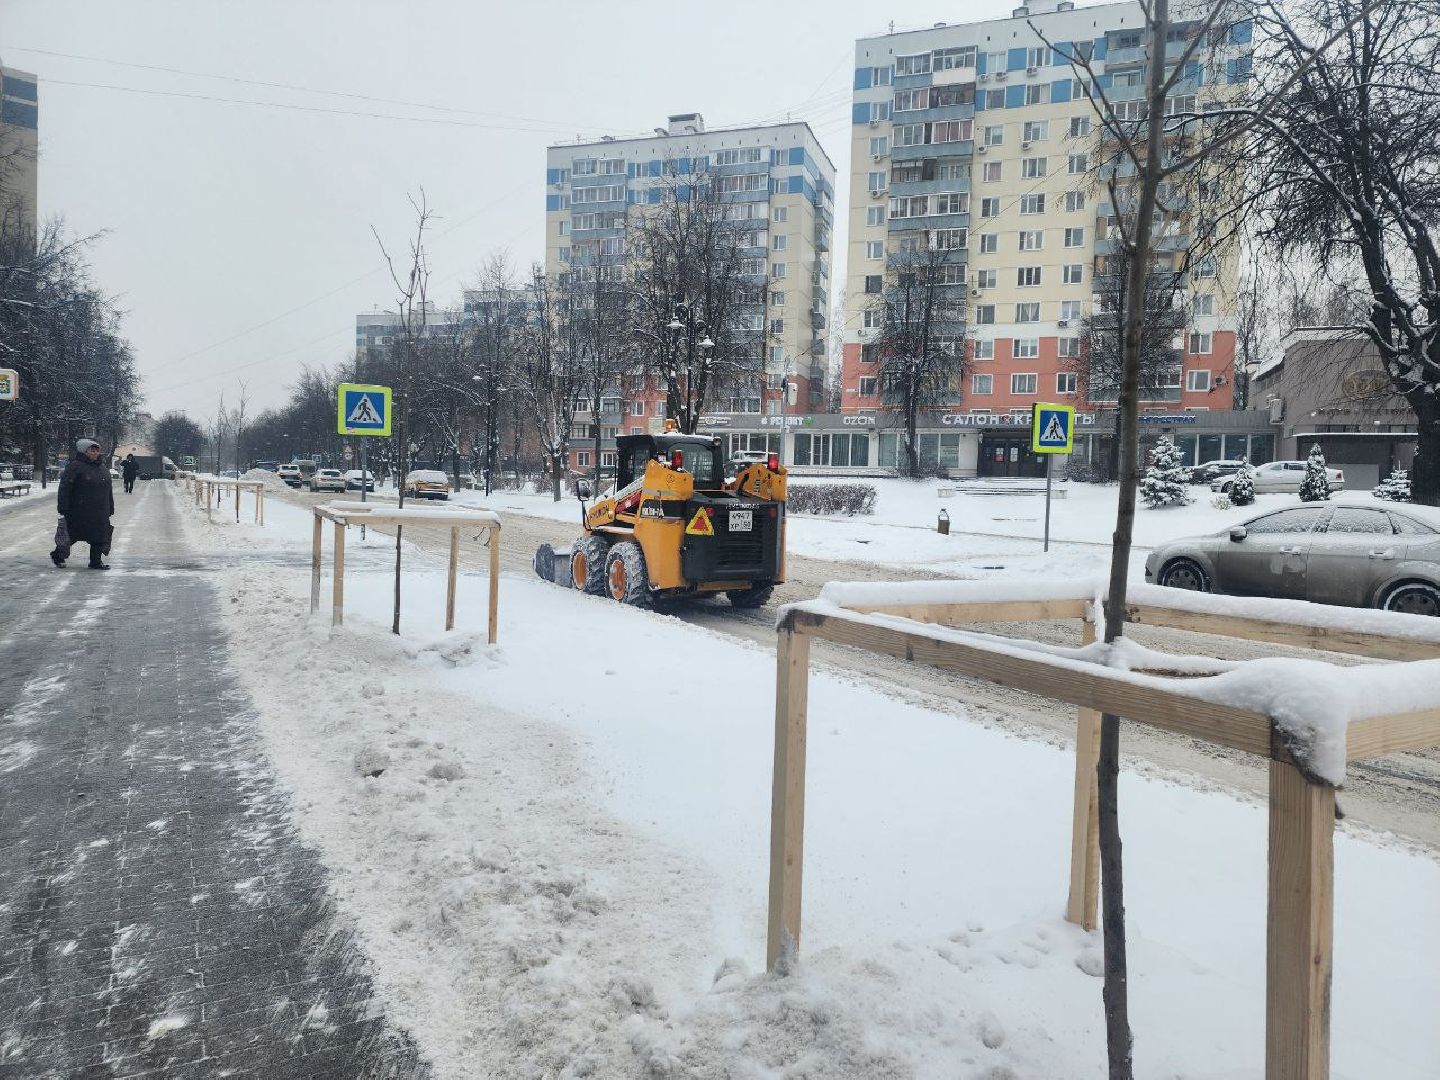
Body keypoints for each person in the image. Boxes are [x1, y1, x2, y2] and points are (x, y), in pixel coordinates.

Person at [51, 439, 114, 570]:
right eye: (92, 450)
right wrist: (62, 507)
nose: (95, 452)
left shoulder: (102, 467)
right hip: (79, 510)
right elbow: (65, 488)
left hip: (100, 510)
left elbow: (108, 490)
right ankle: (57, 555)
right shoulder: (75, 466)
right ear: (84, 451)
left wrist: (110, 507)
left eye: (97, 450)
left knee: (99, 536)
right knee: (72, 535)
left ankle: (95, 561)